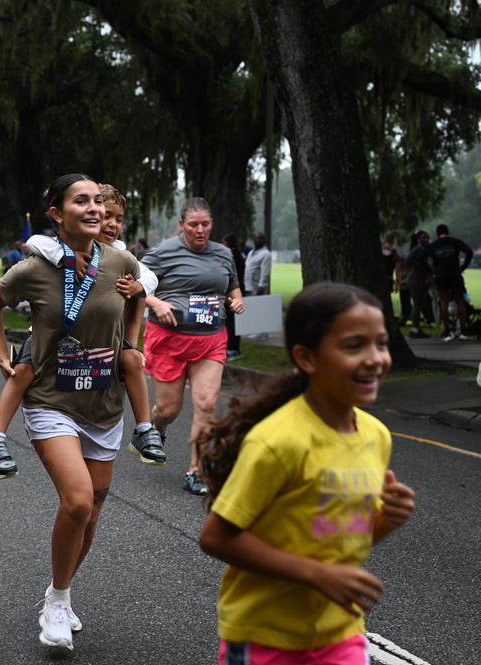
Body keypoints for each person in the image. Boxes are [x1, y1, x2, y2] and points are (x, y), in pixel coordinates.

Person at [198, 282, 416, 665]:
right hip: (265, 635)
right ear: (307, 357)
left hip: (340, 632)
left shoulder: (376, 436)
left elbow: (342, 537)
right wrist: (315, 574)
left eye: (380, 343)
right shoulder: (278, 442)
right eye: (354, 346)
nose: (375, 358)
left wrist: (385, 520)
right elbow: (217, 538)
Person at [0, 174, 144, 652]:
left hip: (104, 404)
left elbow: (137, 305)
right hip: (52, 401)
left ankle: (60, 593)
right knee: (76, 501)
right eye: (81, 202)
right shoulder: (34, 268)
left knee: (90, 516)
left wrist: (131, 346)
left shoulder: (121, 260)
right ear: (57, 213)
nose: (94, 209)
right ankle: (57, 602)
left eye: (98, 201)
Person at [9, 184, 163, 477]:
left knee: (132, 360)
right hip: (51, 336)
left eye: (119, 219)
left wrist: (139, 286)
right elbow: (35, 243)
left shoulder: (118, 254)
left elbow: (151, 278)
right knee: (23, 371)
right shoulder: (61, 246)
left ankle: (145, 429)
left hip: (101, 342)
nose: (113, 225)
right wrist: (65, 258)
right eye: (108, 217)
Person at [141, 197, 245, 495]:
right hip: (168, 340)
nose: (200, 230)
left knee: (206, 403)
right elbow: (134, 284)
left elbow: (232, 286)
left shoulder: (223, 254)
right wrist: (157, 303)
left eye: (206, 224)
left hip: (211, 339)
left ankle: (195, 471)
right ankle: (156, 427)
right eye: (193, 225)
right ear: (182, 225)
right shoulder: (162, 253)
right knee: (169, 409)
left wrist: (236, 299)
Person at [424, 223, 474, 342]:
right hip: (455, 273)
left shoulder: (433, 245)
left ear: (437, 234)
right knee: (460, 301)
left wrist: (431, 268)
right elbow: (469, 252)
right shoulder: (456, 242)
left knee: (444, 302)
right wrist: (463, 267)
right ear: (448, 232)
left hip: (441, 274)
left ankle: (447, 331)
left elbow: (421, 257)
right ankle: (463, 330)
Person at [222, 233, 247, 360]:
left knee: (231, 322)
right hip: (238, 289)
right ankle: (233, 347)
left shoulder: (229, 256)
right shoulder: (238, 254)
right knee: (234, 321)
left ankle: (232, 348)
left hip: (231, 292)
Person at [405, 230, 432, 339]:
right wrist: (421, 267)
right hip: (415, 278)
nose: (426, 239)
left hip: (419, 278)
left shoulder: (424, 249)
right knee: (417, 304)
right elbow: (408, 260)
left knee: (420, 303)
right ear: (418, 239)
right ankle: (415, 329)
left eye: (427, 237)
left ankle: (416, 328)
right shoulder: (418, 248)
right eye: (423, 237)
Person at [243, 231, 271, 297]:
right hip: (248, 286)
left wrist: (261, 286)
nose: (257, 240)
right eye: (256, 238)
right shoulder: (251, 252)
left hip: (257, 288)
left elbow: (265, 272)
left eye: (259, 238)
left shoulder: (266, 254)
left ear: (264, 240)